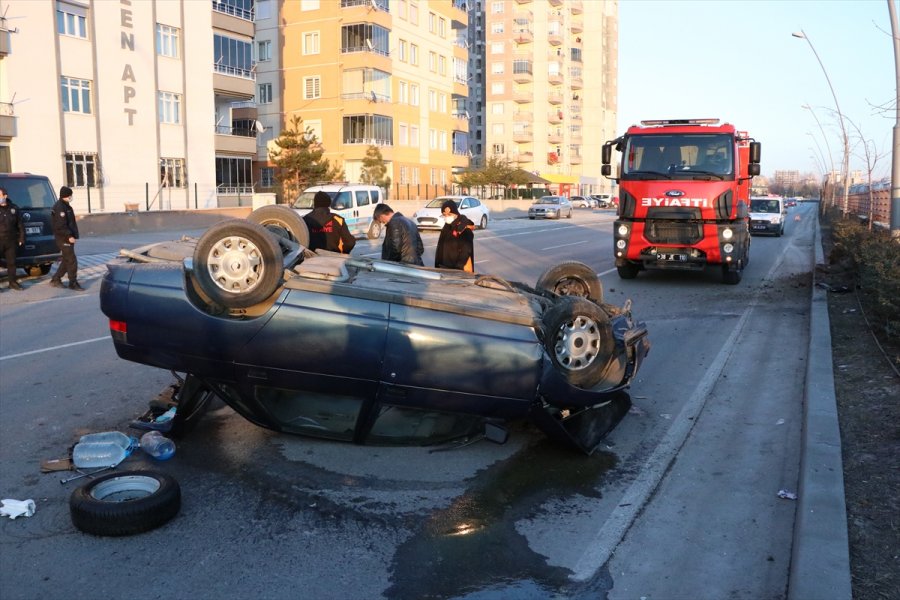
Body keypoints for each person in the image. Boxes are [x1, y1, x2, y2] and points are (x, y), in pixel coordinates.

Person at [49, 186, 83, 291]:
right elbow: (61, 225)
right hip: (63, 238)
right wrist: (69, 236)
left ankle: (55, 279)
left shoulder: (66, 206)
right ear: (66, 195)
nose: (71, 197)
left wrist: (74, 235)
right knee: (72, 260)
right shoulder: (60, 207)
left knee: (66, 260)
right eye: (70, 195)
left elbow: (70, 223)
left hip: (67, 237)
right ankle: (73, 282)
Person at [434, 199, 475, 272]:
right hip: (444, 268)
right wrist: (437, 265)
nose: (446, 216)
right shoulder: (446, 227)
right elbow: (440, 247)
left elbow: (466, 251)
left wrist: (458, 269)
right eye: (444, 215)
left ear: (456, 213)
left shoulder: (464, 228)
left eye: (449, 214)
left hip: (458, 270)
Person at [0, 186, 25, 291]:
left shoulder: (14, 208)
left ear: (5, 196)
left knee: (12, 263)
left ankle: (12, 283)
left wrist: (21, 238)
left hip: (11, 240)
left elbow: (20, 225)